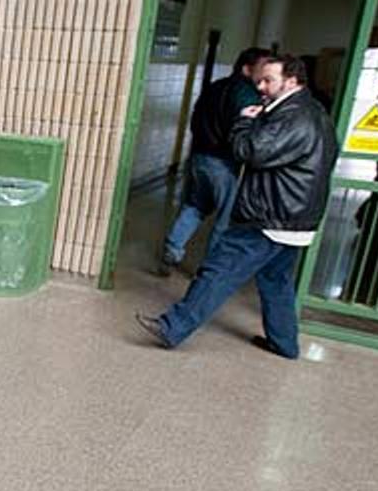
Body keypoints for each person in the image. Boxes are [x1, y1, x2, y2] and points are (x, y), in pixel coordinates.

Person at [137, 55, 336, 360]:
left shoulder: (293, 116)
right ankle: (285, 344)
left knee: (218, 270)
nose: (261, 86)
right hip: (296, 218)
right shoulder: (316, 113)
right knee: (276, 283)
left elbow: (250, 151)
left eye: (269, 80)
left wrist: (244, 121)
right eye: (260, 79)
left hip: (270, 216)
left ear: (292, 81)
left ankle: (172, 327)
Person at [158, 46, 270, 276]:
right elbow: (245, 132)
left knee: (195, 206)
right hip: (224, 163)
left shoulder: (215, 87)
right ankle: (209, 270)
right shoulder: (247, 95)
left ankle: (173, 249)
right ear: (247, 69)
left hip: (199, 157)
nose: (265, 76)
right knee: (224, 218)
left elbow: (195, 119)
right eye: (262, 70)